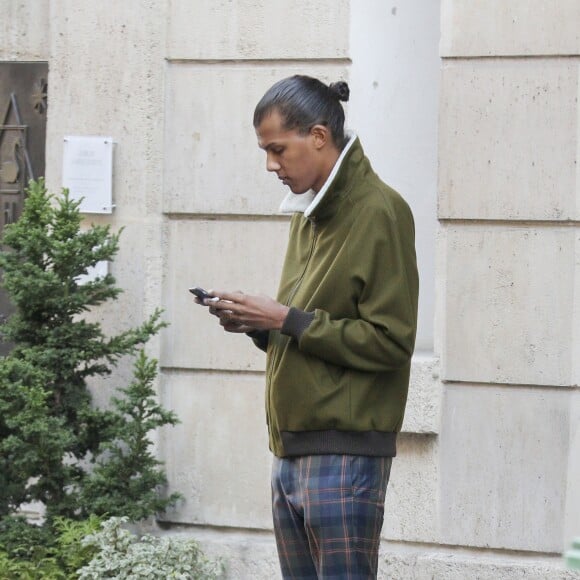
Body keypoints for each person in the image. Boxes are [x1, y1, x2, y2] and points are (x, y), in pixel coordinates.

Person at [200, 75, 419, 579]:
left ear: (318, 137)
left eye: (277, 149)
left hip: (344, 451)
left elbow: (390, 342)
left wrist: (284, 318)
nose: (270, 165)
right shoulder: (307, 213)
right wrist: (259, 325)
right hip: (291, 449)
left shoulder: (380, 211)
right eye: (265, 151)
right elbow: (312, 326)